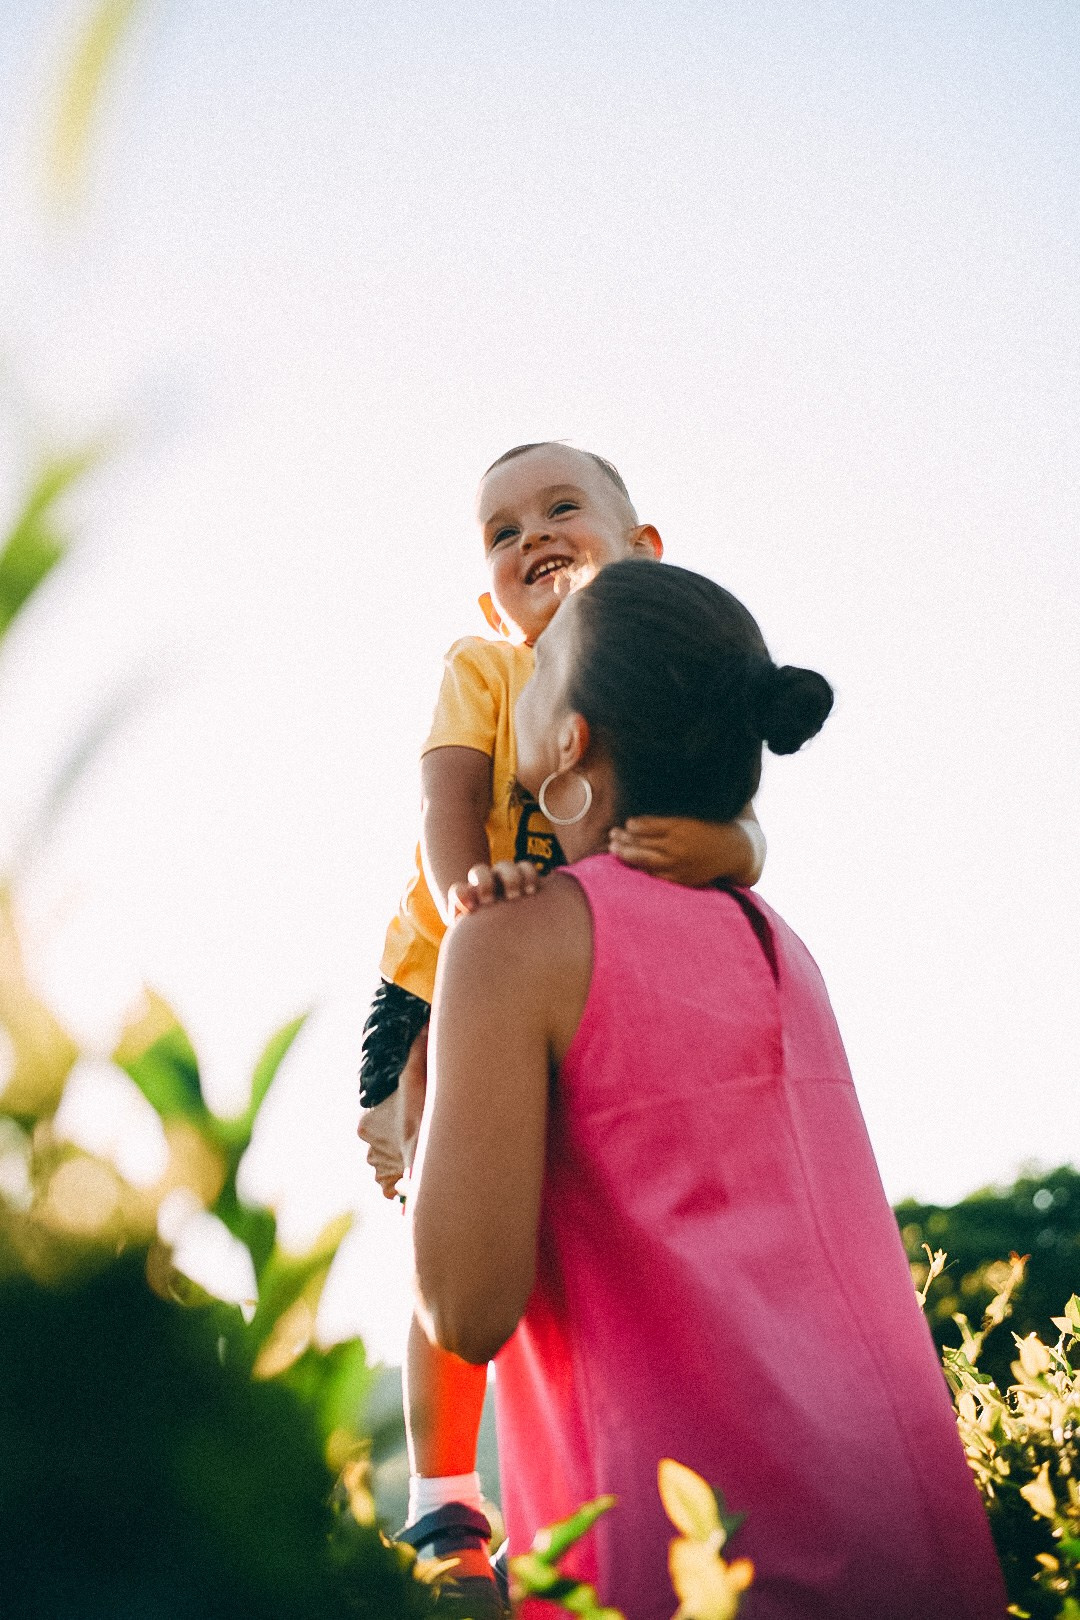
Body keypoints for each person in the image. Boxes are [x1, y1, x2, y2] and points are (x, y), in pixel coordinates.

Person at [410, 558, 1008, 1620]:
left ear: (570, 742)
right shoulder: (784, 943)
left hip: (690, 1557)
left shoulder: (513, 945)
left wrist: (427, 1109)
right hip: (906, 1538)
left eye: (539, 671)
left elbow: (466, 1309)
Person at [356, 444, 766, 1613]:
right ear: (494, 596)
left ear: (644, 549)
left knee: (575, 1219)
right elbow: (445, 802)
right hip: (444, 974)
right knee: (450, 1213)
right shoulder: (487, 666)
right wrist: (468, 901)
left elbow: (735, 816)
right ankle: (445, 1499)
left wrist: (726, 848)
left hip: (578, 982)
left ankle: (625, 1473)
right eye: (502, 531)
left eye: (561, 507)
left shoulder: (663, 685)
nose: (531, 534)